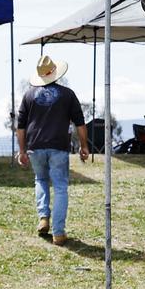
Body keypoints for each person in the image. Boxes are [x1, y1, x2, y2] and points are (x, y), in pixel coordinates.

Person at [16, 55, 88, 247]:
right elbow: (80, 122)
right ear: (55, 73)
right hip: (58, 146)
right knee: (61, 187)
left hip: (35, 146)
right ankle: (58, 232)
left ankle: (43, 217)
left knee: (40, 180)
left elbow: (20, 126)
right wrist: (84, 146)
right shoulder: (67, 94)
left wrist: (22, 150)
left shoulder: (29, 95)